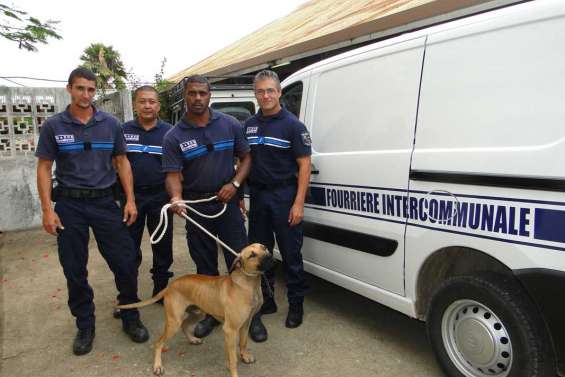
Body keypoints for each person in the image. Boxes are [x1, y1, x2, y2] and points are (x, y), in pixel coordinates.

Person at [35, 67, 149, 356]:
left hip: (104, 203)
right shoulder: (54, 126)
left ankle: (130, 315)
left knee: (125, 262)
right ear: (69, 89)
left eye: (90, 89)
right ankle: (85, 324)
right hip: (70, 205)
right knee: (74, 267)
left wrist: (131, 200)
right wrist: (48, 209)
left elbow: (122, 162)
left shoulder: (110, 124)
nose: (85, 94)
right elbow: (45, 167)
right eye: (80, 88)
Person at [162, 75, 251, 338]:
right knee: (205, 265)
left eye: (202, 93)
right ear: (185, 97)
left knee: (240, 261)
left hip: (227, 203)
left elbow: (246, 158)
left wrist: (234, 185)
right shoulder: (173, 136)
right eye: (192, 94)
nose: (198, 98)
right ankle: (213, 315)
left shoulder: (230, 124)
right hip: (197, 208)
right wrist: (176, 198)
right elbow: (172, 174)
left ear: (209, 95)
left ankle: (248, 316)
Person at [244, 70, 312, 342]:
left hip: (285, 196)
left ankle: (296, 305)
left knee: (291, 255)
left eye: (270, 90)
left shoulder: (293, 126)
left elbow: (304, 165)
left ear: (280, 92)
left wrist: (298, 203)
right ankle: (268, 300)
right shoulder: (248, 125)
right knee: (260, 254)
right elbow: (243, 161)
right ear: (255, 94)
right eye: (260, 91)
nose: (266, 95)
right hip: (258, 197)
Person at [113, 86, 173, 318]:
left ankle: (161, 290)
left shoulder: (170, 132)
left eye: (152, 102)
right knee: (128, 249)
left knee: (163, 247)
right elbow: (115, 163)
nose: (147, 106)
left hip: (160, 197)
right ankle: (127, 296)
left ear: (158, 105)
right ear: (135, 105)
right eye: (142, 102)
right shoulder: (122, 131)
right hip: (131, 199)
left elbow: (176, 169)